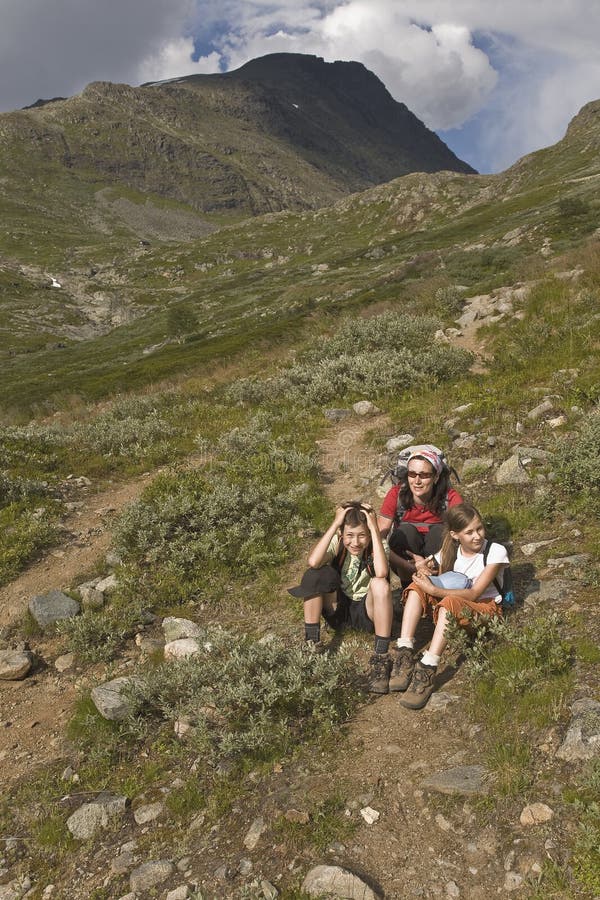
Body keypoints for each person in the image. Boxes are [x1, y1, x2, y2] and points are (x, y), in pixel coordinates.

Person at [389, 502, 509, 709]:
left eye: (479, 528)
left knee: (449, 602)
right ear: (455, 535)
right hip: (456, 603)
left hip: (485, 608)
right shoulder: (450, 551)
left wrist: (435, 591)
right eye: (469, 532)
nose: (477, 536)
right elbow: (429, 565)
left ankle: (428, 667)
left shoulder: (495, 551)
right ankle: (405, 650)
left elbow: (474, 593)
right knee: (416, 588)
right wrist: (422, 570)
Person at [288, 501, 394, 694]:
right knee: (315, 573)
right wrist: (335, 524)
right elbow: (313, 561)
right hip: (339, 607)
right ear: (342, 534)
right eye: (350, 535)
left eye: (362, 535)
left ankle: (381, 656)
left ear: (369, 534)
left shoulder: (378, 545)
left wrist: (374, 529)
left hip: (366, 613)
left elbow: (381, 572)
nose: (355, 542)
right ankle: (312, 642)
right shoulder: (338, 543)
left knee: (381, 584)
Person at [377, 446, 463, 585]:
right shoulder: (396, 494)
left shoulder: (450, 498)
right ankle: (408, 587)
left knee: (439, 533)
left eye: (423, 475)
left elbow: (463, 533)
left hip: (439, 559)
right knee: (405, 533)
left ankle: (438, 587)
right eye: (412, 474)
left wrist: (434, 560)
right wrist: (412, 566)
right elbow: (378, 538)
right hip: (407, 563)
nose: (416, 481)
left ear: (436, 477)